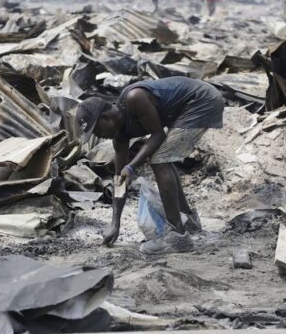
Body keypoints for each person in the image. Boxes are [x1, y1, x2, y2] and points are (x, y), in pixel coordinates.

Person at [76, 77, 224, 254]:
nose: (99, 136)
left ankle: (178, 237)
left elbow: (158, 135)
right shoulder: (120, 137)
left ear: (106, 117)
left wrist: (131, 166)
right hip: (187, 108)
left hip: (202, 100)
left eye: (96, 130)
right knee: (162, 157)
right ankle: (188, 220)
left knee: (159, 158)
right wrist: (115, 223)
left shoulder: (134, 98)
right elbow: (119, 181)